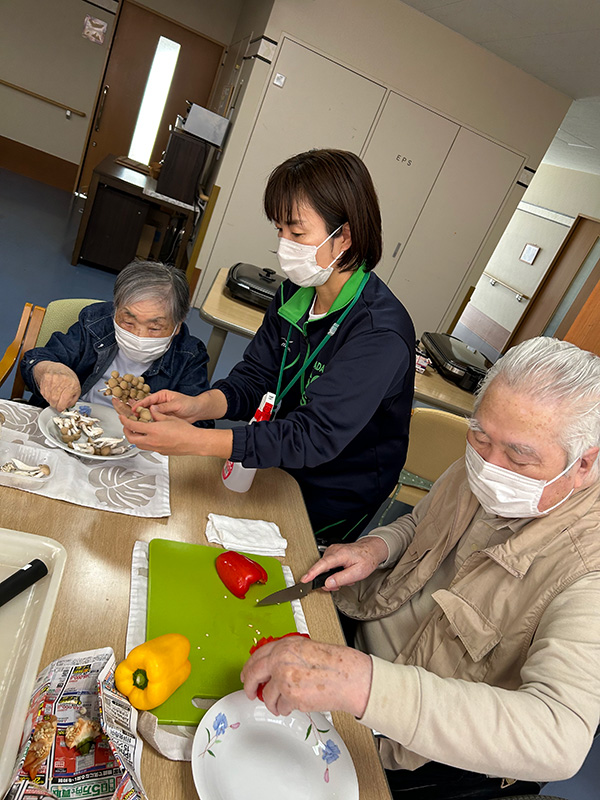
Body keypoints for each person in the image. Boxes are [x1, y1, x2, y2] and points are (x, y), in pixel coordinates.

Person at [240, 337, 600, 800]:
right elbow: (420, 522)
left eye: (519, 456)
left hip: (408, 745)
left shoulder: (588, 572)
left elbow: (558, 736)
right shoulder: (493, 461)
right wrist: (377, 548)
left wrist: (364, 685)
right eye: (481, 436)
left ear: (584, 463)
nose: (489, 466)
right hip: (353, 636)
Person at [120, 149, 415, 544]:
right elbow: (258, 374)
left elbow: (314, 436)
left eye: (296, 233)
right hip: (274, 455)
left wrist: (197, 441)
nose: (283, 245)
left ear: (343, 236)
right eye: (279, 230)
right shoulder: (296, 292)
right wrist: (200, 406)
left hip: (330, 491)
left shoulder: (380, 334)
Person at [21, 260, 214, 426]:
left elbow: (202, 423)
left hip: (135, 444)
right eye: (128, 322)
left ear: (178, 325)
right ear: (116, 309)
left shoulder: (189, 355)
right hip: (68, 421)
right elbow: (36, 360)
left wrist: (157, 418)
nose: (139, 336)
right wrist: (49, 370)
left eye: (155, 328)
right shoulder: (96, 323)